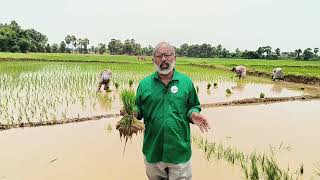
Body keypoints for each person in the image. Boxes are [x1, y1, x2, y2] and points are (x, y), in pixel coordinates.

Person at [133, 42, 210, 180]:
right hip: (153, 150)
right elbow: (138, 109)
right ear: (153, 60)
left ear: (174, 58)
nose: (164, 59)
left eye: (168, 54)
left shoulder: (185, 82)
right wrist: (131, 113)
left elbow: (193, 105)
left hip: (179, 150)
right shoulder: (144, 84)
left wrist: (193, 114)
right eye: (159, 55)